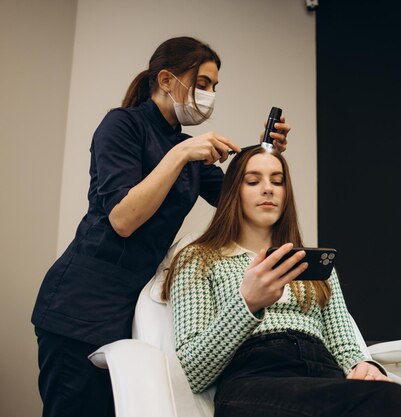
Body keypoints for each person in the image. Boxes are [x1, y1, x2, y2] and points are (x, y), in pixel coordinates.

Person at [31, 36, 290, 417]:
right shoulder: (123, 126)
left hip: (125, 312)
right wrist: (183, 152)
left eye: (214, 87)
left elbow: (239, 199)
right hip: (79, 306)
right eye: (202, 84)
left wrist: (268, 157)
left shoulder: (188, 151)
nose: (209, 95)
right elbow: (122, 219)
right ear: (167, 80)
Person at [163, 146, 401, 417]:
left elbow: (344, 342)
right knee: (385, 401)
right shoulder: (200, 259)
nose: (267, 189)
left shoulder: (313, 265)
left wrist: (364, 366)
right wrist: (247, 303)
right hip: (256, 378)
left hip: (325, 373)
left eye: (277, 181)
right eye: (253, 181)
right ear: (233, 191)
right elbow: (192, 371)